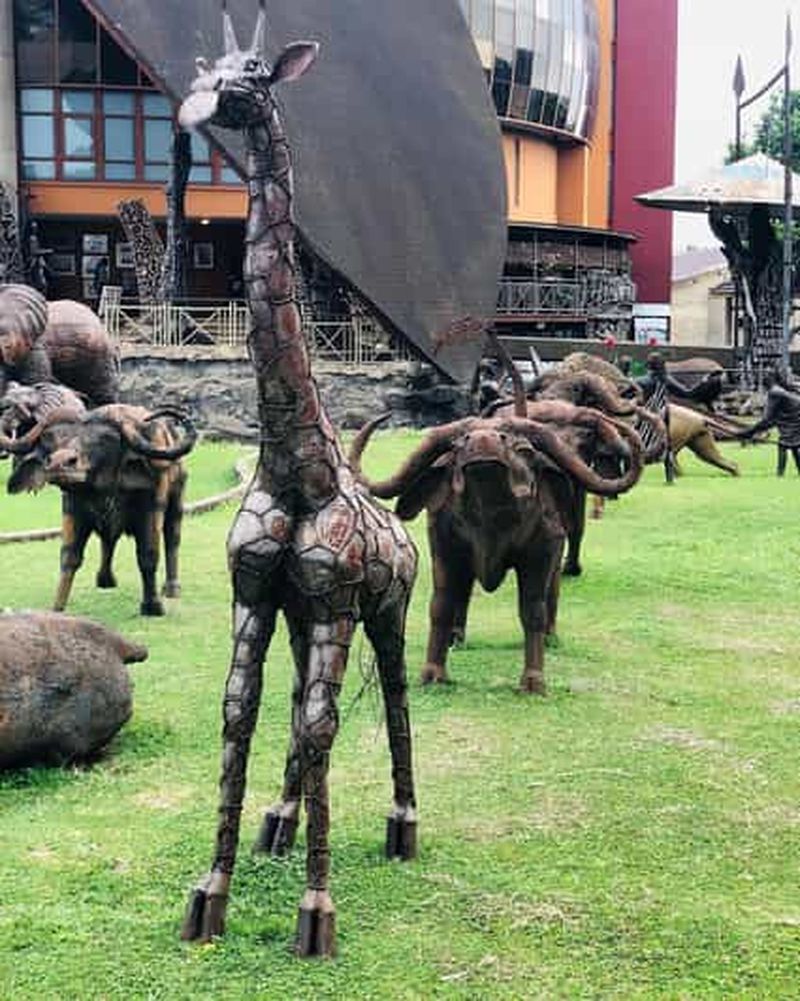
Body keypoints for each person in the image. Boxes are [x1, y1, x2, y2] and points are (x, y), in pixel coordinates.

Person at [738, 367, 800, 476]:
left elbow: (767, 419)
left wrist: (749, 432)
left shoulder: (774, 392)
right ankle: (782, 474)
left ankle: (780, 474)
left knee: (784, 444)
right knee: (793, 445)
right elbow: (770, 420)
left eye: (765, 377)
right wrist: (751, 431)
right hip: (791, 417)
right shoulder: (777, 390)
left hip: (793, 418)